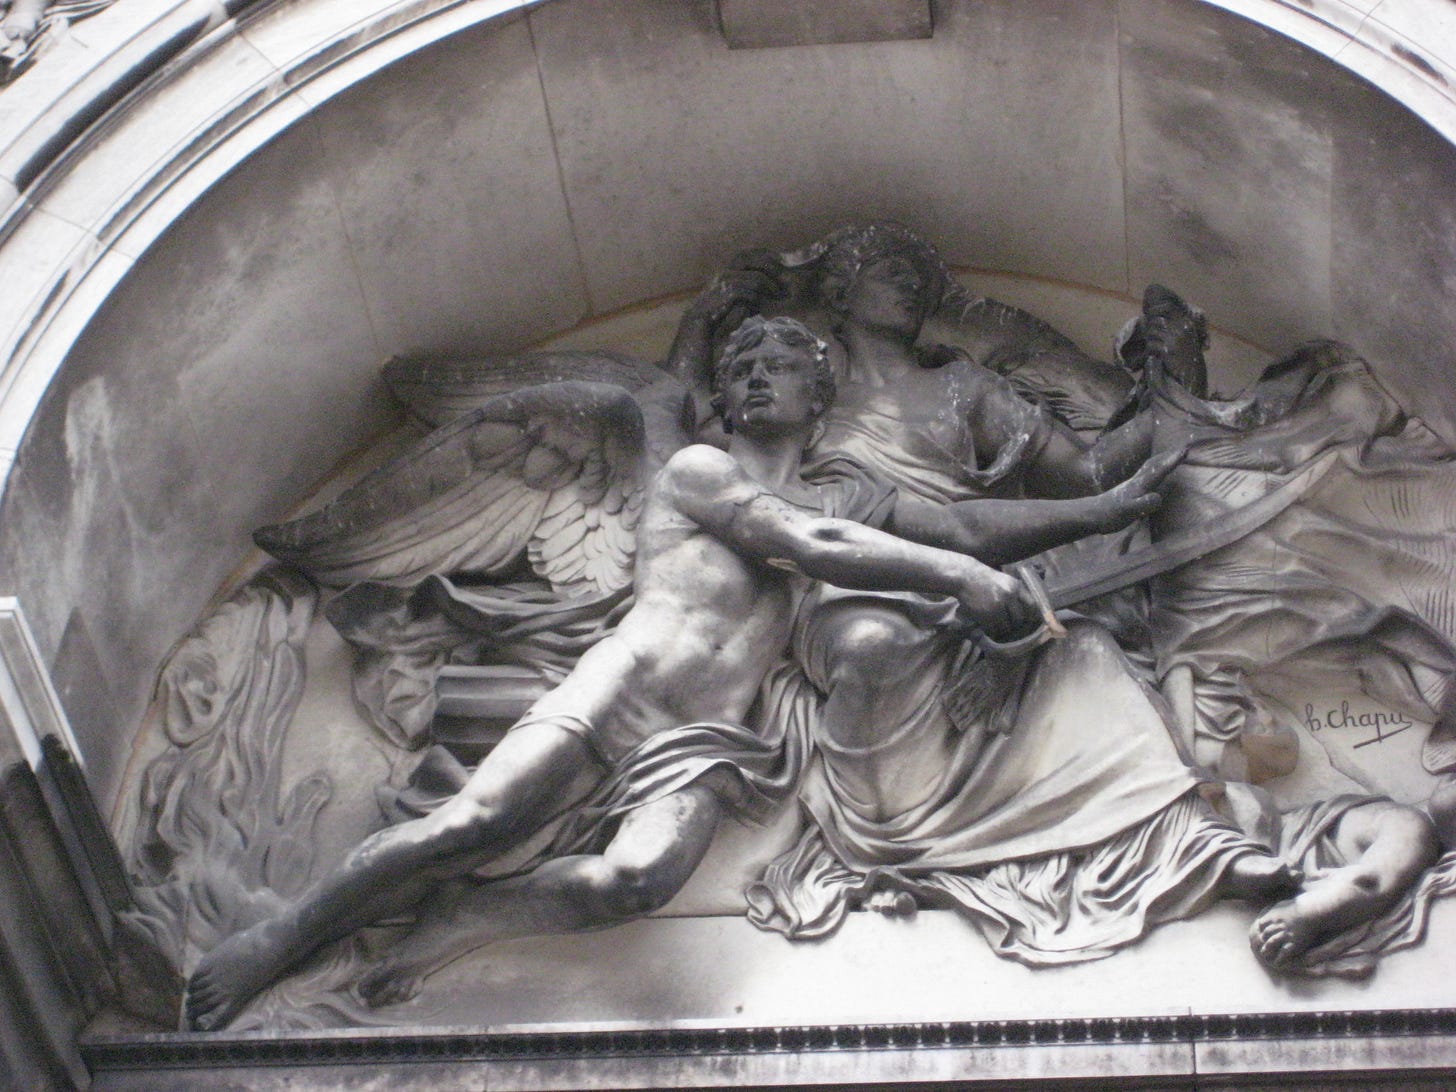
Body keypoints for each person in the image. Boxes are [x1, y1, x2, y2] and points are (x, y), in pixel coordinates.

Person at [184, 315, 1067, 1030]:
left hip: (705, 737)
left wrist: (1116, 501)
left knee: (635, 882)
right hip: (617, 688)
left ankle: (470, 918)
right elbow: (811, 543)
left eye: (780, 364)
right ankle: (278, 938)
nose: (757, 375)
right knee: (471, 821)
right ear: (718, 394)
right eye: (741, 364)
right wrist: (961, 580)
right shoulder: (697, 468)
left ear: (820, 396)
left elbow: (960, 528)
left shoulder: (844, 499)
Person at [671, 225, 1298, 960]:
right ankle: (891, 827)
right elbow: (680, 416)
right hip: (862, 591)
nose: (912, 285)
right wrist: (701, 320)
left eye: (920, 275)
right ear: (839, 290)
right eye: (889, 269)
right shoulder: (785, 391)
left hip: (978, 573)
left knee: (1089, 650)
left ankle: (1191, 841)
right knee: (874, 641)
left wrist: (1169, 386)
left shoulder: (962, 387)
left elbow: (1081, 478)